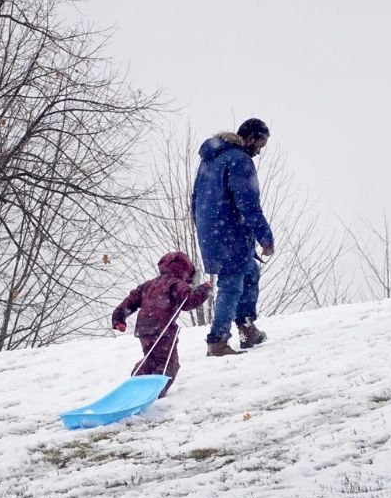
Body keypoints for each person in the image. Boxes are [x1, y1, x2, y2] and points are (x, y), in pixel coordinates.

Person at [191, 118, 274, 356]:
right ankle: (217, 340)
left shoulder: (209, 160)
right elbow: (248, 204)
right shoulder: (239, 160)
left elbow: (195, 198)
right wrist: (265, 236)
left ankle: (246, 327)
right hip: (230, 231)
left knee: (249, 273)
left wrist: (202, 228)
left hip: (211, 231)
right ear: (251, 138)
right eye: (260, 145)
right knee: (231, 282)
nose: (258, 151)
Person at [111, 251, 212, 398]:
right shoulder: (178, 284)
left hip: (144, 327)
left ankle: (137, 382)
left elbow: (131, 300)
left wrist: (119, 317)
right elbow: (188, 302)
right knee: (168, 362)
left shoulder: (149, 284)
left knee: (151, 358)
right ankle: (155, 392)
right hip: (162, 326)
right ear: (185, 270)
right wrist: (205, 289)